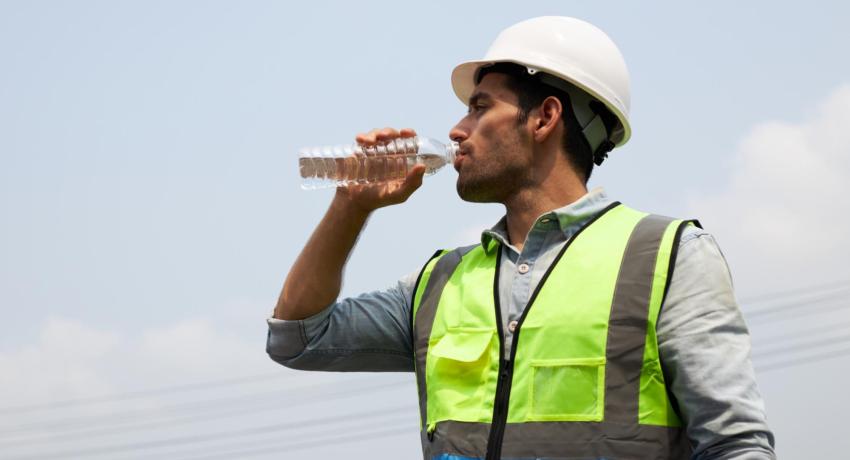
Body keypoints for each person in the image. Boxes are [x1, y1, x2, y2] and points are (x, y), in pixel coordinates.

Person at [267, 16, 776, 460]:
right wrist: (350, 207)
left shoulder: (668, 257)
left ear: (545, 117)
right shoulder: (440, 283)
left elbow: (735, 446)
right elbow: (296, 338)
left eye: (480, 107)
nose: (458, 129)